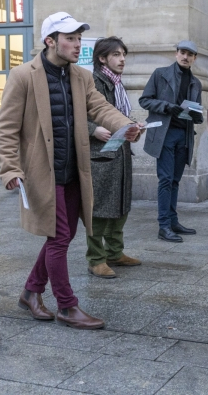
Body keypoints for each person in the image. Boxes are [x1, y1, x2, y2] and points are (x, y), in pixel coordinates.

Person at [0, 12, 141, 330]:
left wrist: (126, 125)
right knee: (60, 237)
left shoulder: (81, 77)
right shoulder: (22, 76)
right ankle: (67, 305)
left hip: (75, 170)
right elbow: (6, 128)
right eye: (70, 39)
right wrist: (9, 168)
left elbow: (100, 107)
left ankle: (31, 292)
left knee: (64, 234)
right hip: (41, 172)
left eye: (78, 39)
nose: (77, 45)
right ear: (51, 41)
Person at [85, 37, 142, 279]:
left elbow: (120, 115)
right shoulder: (92, 81)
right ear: (102, 58)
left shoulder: (117, 83)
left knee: (121, 206)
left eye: (123, 55)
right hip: (100, 154)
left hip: (120, 152)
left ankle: (115, 252)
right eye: (117, 55)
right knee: (99, 210)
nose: (122, 59)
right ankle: (96, 259)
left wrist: (133, 128)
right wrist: (93, 129)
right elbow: (74, 115)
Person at [139, 40, 203, 242]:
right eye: (183, 52)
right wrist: (166, 107)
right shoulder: (160, 74)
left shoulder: (196, 83)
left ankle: (173, 221)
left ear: (194, 58)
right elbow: (145, 100)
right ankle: (163, 225)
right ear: (176, 54)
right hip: (164, 134)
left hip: (184, 136)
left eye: (190, 54)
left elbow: (196, 110)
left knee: (175, 180)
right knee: (165, 180)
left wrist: (197, 116)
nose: (185, 57)